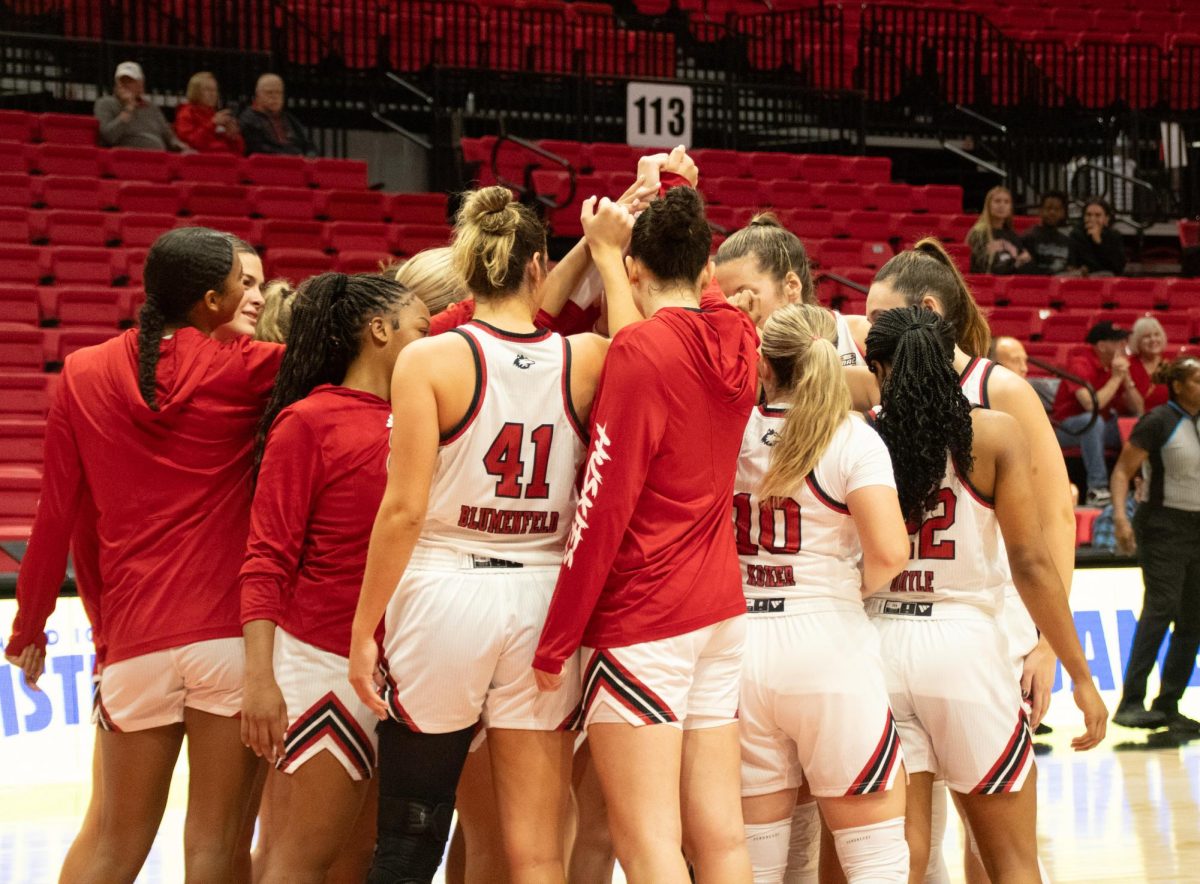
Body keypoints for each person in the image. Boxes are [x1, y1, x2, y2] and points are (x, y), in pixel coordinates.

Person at [348, 185, 620, 882]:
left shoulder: (430, 359)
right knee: (534, 850)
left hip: (444, 588)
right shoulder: (586, 357)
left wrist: (363, 627)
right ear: (536, 266)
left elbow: (402, 511)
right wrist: (607, 253)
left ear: (467, 268)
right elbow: (638, 345)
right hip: (541, 596)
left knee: (411, 834)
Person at [4, 227, 284, 882]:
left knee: (108, 843)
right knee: (216, 845)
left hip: (132, 647)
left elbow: (54, 517)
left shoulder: (80, 372)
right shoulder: (249, 366)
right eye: (244, 284)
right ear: (212, 299)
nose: (256, 294)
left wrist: (29, 628)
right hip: (228, 641)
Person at [533, 185, 759, 884]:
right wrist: (670, 190)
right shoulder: (739, 338)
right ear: (705, 269)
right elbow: (706, 294)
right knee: (720, 836)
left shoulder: (638, 352)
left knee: (648, 844)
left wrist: (556, 639)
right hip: (719, 611)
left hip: (645, 617)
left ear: (633, 270)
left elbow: (603, 506)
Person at [863, 305, 1107, 882]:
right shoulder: (993, 433)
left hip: (875, 646)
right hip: (963, 649)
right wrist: (1080, 673)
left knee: (902, 860)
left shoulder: (859, 430)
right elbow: (1031, 563)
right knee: (1011, 861)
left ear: (880, 368)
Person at [240, 272, 430, 882]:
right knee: (302, 856)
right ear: (380, 331)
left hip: (408, 663)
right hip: (322, 660)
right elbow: (267, 556)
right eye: (423, 329)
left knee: (359, 859)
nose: (434, 341)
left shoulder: (428, 414)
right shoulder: (308, 422)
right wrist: (260, 678)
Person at [736, 304, 911, 883]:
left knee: (753, 864)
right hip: (825, 643)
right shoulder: (853, 438)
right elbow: (889, 554)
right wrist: (844, 589)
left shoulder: (729, 426)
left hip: (738, 645)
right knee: (875, 860)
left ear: (763, 365)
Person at [1109, 356, 1200, 734]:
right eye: (1198, 380)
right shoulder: (1159, 421)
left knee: (1194, 618)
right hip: (1163, 525)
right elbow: (1121, 472)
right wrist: (1120, 517)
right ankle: (1131, 702)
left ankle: (1168, 704)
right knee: (1160, 608)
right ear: (1178, 385)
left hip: (1197, 527)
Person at [1051, 319, 1142, 505]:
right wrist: (1117, 378)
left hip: (1100, 426)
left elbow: (1138, 408)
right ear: (1101, 345)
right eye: (1117, 341)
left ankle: (1140, 487)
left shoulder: (1115, 366)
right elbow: (1091, 406)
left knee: (1138, 426)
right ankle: (1097, 489)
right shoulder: (1080, 363)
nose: (1123, 345)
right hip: (1066, 428)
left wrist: (1127, 379)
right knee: (1093, 422)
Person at [94, 61, 187, 151]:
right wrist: (129, 108)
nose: (124, 85)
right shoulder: (105, 103)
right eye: (122, 81)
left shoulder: (151, 107)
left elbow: (168, 136)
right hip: (127, 159)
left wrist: (183, 147)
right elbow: (109, 137)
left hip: (159, 158)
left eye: (130, 81)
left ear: (140, 85)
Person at [239, 74, 316, 157]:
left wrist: (310, 156)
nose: (275, 97)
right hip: (268, 166)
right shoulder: (248, 119)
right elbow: (258, 148)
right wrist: (290, 156)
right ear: (257, 95)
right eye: (269, 93)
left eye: (279, 92)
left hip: (296, 164)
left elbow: (309, 145)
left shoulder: (289, 118)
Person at [174, 71, 245, 155]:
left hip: (225, 162)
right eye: (207, 90)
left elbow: (240, 151)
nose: (213, 94)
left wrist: (233, 136)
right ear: (195, 92)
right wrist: (212, 124)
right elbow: (191, 143)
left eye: (215, 90)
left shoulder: (215, 115)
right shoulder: (186, 114)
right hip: (201, 163)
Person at [965, 186, 1031, 275]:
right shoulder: (978, 233)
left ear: (1010, 208)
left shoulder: (1013, 236)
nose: (1002, 205)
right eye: (997, 201)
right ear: (988, 205)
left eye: (1006, 202)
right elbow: (978, 265)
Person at [1020, 191, 1081, 276]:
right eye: (1048, 208)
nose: (1052, 212)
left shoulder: (1068, 241)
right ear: (1040, 211)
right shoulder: (1028, 237)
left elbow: (1071, 268)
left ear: (1063, 213)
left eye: (1057, 209)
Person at [1071, 199, 1126, 276]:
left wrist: (1099, 242)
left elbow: (1118, 267)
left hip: (1107, 279)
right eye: (1088, 215)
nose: (1092, 219)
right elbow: (1074, 263)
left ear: (1106, 219)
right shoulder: (1076, 235)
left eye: (1098, 215)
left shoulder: (1114, 236)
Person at [1127, 316, 1170, 412]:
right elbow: (1134, 408)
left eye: (1156, 335)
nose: (1153, 339)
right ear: (1137, 341)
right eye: (1147, 336)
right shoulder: (1127, 366)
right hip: (1136, 419)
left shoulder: (1170, 366)